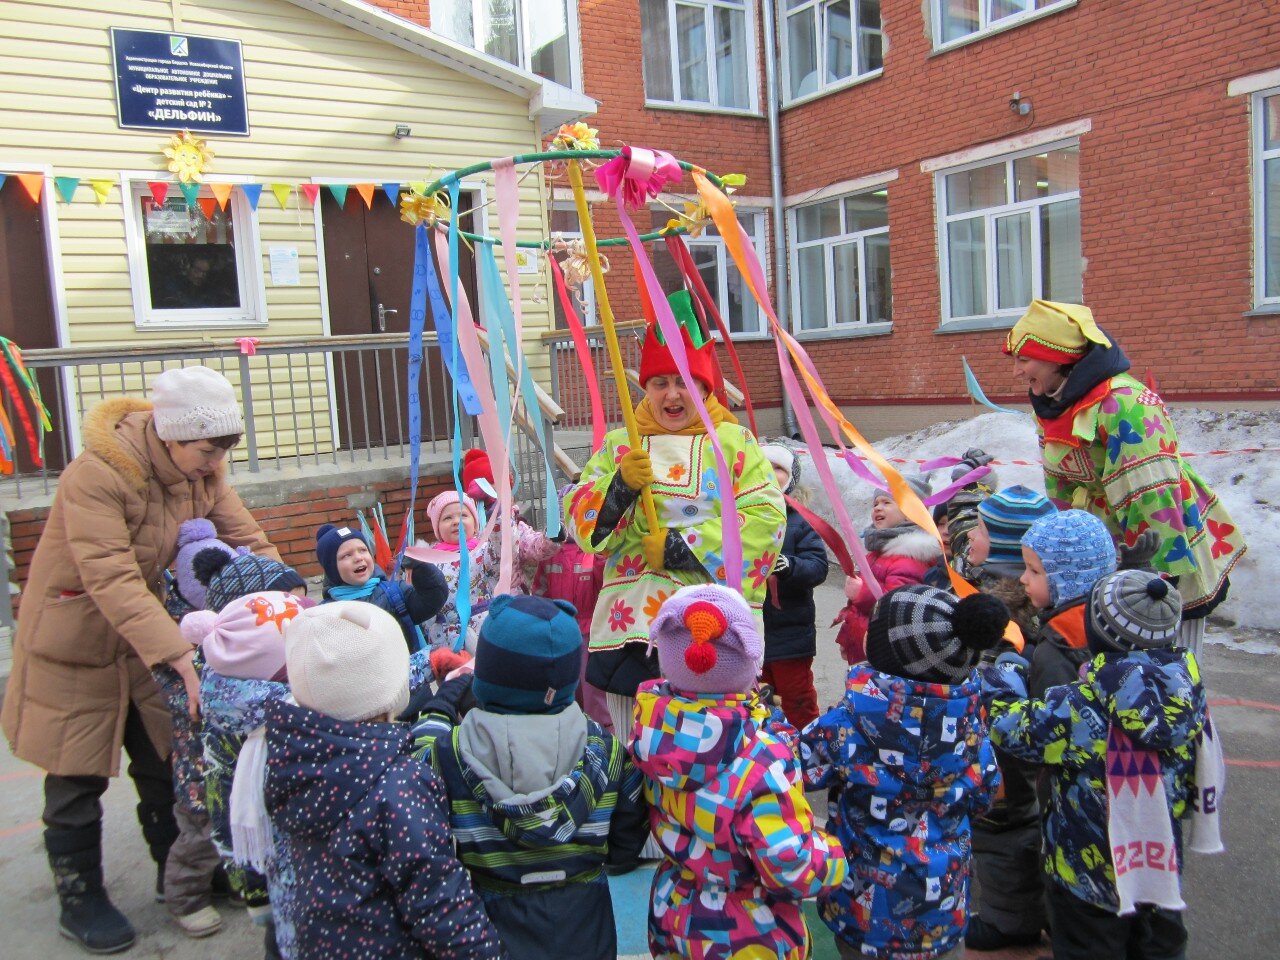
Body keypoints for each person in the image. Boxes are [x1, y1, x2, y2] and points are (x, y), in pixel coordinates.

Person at [1, 365, 277, 953]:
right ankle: (81, 896)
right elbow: (111, 574)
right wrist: (179, 653)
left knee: (163, 758)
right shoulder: (98, 474)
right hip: (76, 638)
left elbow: (247, 538)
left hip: (143, 632)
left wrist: (287, 596)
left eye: (222, 452)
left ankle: (173, 872)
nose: (214, 464)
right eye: (206, 451)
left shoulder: (202, 472)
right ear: (170, 435)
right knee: (75, 772)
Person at [564, 290, 786, 738]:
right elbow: (579, 522)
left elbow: (767, 517)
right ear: (644, 388)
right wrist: (620, 485)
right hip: (630, 628)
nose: (672, 393)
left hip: (709, 627)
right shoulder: (619, 445)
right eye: (659, 382)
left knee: (706, 746)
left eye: (684, 380)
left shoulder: (734, 442)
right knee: (632, 744)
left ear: (705, 386)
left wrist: (679, 548)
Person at [982, 570, 1214, 960]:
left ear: (1097, 631)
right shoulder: (1186, 690)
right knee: (1159, 945)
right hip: (1157, 867)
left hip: (1084, 874)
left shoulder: (1082, 704)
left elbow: (1010, 728)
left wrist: (1008, 666)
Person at [412, 593, 649, 960]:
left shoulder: (449, 752)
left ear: (486, 676)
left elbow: (420, 748)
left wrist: (444, 698)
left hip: (490, 923)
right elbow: (625, 841)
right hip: (584, 921)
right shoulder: (609, 750)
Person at [263, 602, 505, 960]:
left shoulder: (292, 758)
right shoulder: (399, 783)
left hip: (319, 942)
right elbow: (438, 900)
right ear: (389, 690)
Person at [1003, 299, 1246, 655]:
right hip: (1105, 549)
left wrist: (1148, 579)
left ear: (1058, 357)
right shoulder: (1053, 401)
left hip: (1157, 550)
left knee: (1165, 664)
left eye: (1024, 360)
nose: (1016, 372)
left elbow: (1152, 497)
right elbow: (1060, 486)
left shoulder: (1126, 403)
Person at [630, 585, 847, 959]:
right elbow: (789, 866)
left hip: (677, 915)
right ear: (749, 662)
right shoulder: (760, 758)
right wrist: (832, 854)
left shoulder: (651, 732)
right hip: (749, 933)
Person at [802, 585, 1008, 960]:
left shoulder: (849, 721)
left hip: (865, 913)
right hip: (943, 909)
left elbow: (799, 769)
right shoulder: (972, 726)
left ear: (882, 651)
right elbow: (986, 794)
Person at [960, 486, 1056, 952]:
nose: (968, 536)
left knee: (1002, 822)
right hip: (1009, 735)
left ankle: (1009, 919)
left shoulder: (1005, 616)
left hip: (1002, 742)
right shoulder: (1007, 594)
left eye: (979, 529)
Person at [416, 489, 560, 654]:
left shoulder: (482, 550)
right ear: (437, 529)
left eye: (463, 515)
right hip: (448, 638)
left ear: (475, 523)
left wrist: (498, 522)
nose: (456, 521)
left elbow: (501, 551)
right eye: (447, 518)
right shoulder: (430, 560)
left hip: (485, 628)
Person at [834, 478, 942, 665]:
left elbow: (897, 608)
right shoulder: (880, 551)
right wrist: (848, 638)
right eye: (875, 503)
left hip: (885, 652)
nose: (877, 508)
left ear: (910, 512)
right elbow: (858, 610)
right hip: (866, 644)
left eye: (887, 502)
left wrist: (861, 592)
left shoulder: (909, 557)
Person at [759, 443, 829, 730]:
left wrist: (790, 566)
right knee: (756, 700)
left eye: (779, 468)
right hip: (753, 630)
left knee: (796, 698)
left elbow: (818, 566)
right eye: (764, 466)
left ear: (791, 479)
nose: (771, 473)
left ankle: (807, 747)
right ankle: (764, 751)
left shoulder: (800, 522)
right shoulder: (738, 517)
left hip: (791, 633)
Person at [1020, 509, 1120, 696]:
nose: (1023, 578)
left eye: (1034, 571)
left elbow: (1049, 718)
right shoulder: (1119, 618)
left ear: (1067, 580)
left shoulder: (1056, 651)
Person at [314, 522, 447, 653]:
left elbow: (433, 598)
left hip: (403, 672)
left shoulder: (394, 592)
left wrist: (420, 567)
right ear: (332, 568)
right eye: (346, 555)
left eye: (363, 550)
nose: (358, 558)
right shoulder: (325, 614)